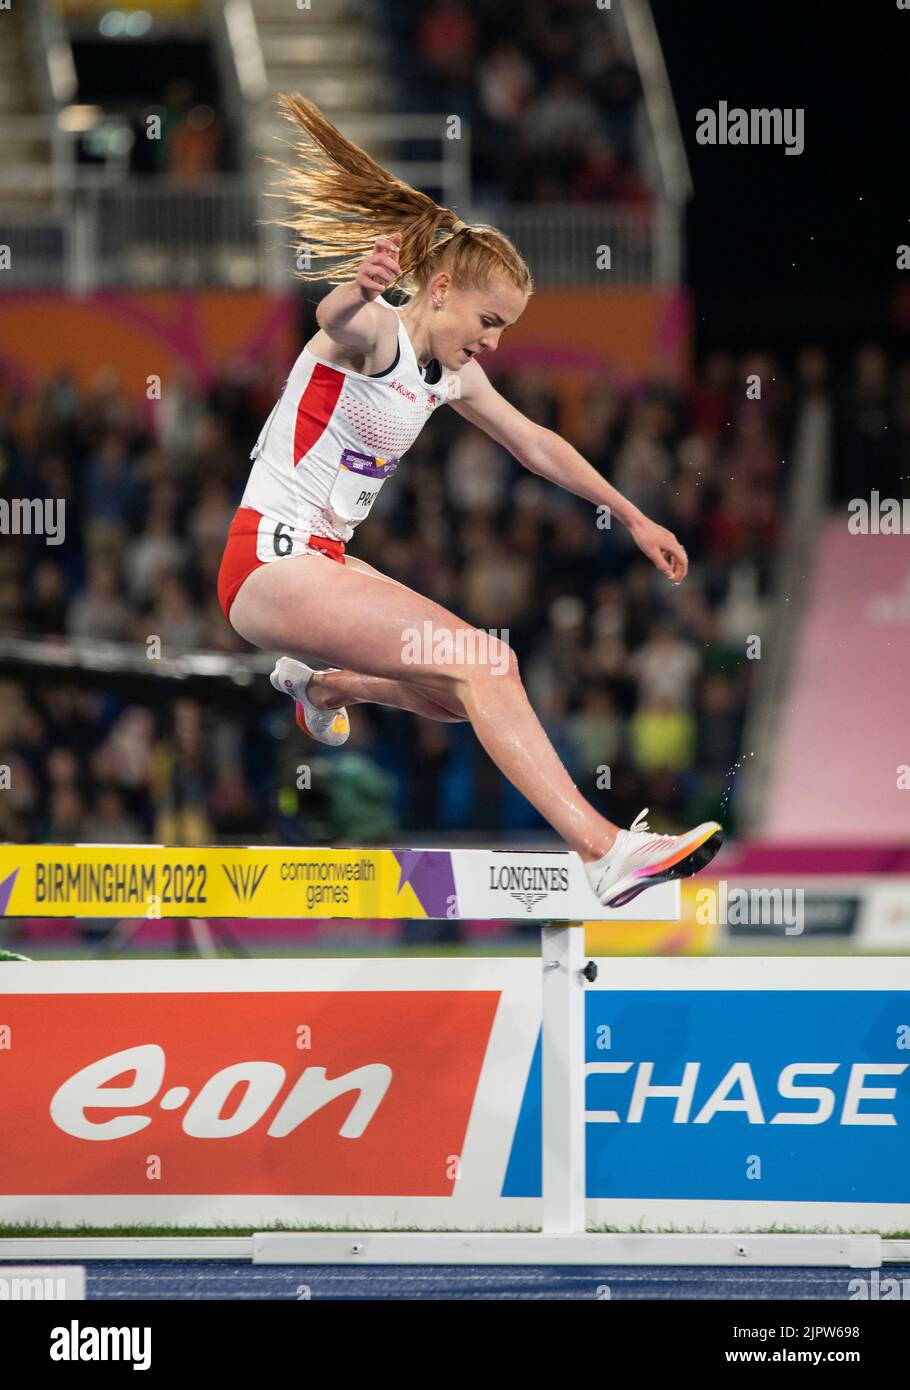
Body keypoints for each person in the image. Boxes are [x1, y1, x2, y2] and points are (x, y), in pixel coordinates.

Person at [216, 95, 722, 907]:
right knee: (490, 665)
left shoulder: (453, 373)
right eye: (488, 321)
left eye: (505, 330)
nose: (493, 342)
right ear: (441, 289)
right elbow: (330, 316)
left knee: (460, 694)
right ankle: (602, 850)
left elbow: (535, 444)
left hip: (324, 561)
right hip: (269, 560)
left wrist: (631, 513)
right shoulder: (377, 334)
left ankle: (325, 687)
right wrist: (358, 288)